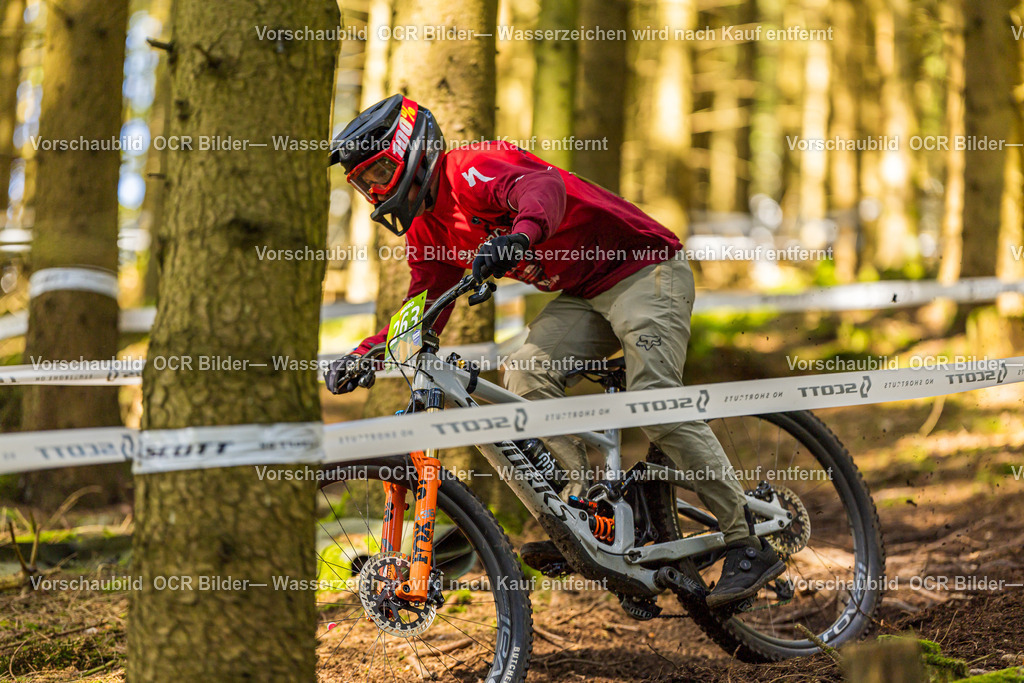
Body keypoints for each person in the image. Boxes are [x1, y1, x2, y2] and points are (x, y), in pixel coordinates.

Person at [324, 94, 784, 608]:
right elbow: (423, 300)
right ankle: (587, 515)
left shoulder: (471, 167)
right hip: (586, 292)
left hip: (644, 268)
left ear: (411, 149)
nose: (374, 192)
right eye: (365, 184)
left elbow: (540, 186)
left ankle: (747, 539)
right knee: (524, 373)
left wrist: (521, 234)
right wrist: (368, 353)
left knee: (653, 399)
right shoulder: (428, 226)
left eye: (379, 172)